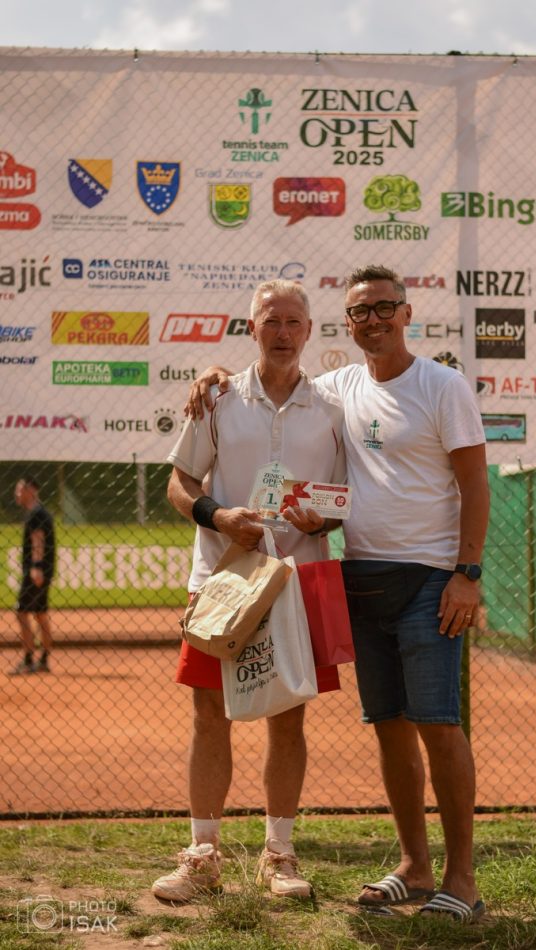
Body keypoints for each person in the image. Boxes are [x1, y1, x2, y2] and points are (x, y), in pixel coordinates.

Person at [186, 265, 490, 924]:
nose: (372, 320)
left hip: (431, 579)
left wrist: (467, 573)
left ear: (406, 313)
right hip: (361, 579)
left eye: (384, 307)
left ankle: (462, 879)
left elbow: (474, 481)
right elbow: (275, 384)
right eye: (360, 312)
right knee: (389, 729)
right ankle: (414, 866)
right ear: (347, 323)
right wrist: (215, 377)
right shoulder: (338, 388)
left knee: (438, 726)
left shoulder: (442, 385)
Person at [152, 279, 345, 904]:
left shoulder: (334, 406)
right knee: (209, 717)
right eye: (271, 321)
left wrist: (322, 522)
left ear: (309, 330)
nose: (282, 332)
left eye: (293, 321)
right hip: (222, 583)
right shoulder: (217, 398)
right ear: (252, 328)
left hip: (296, 582)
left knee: (288, 718)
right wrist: (218, 516)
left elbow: (340, 503)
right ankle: (202, 856)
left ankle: (278, 855)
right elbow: (179, 483)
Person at [10, 477, 56, 675]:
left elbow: (38, 540)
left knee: (21, 612)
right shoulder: (41, 512)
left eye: (20, 490)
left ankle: (28, 659)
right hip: (44, 570)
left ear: (31, 490)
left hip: (36, 571)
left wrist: (36, 567)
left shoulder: (36, 514)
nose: (17, 494)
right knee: (40, 613)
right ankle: (44, 658)